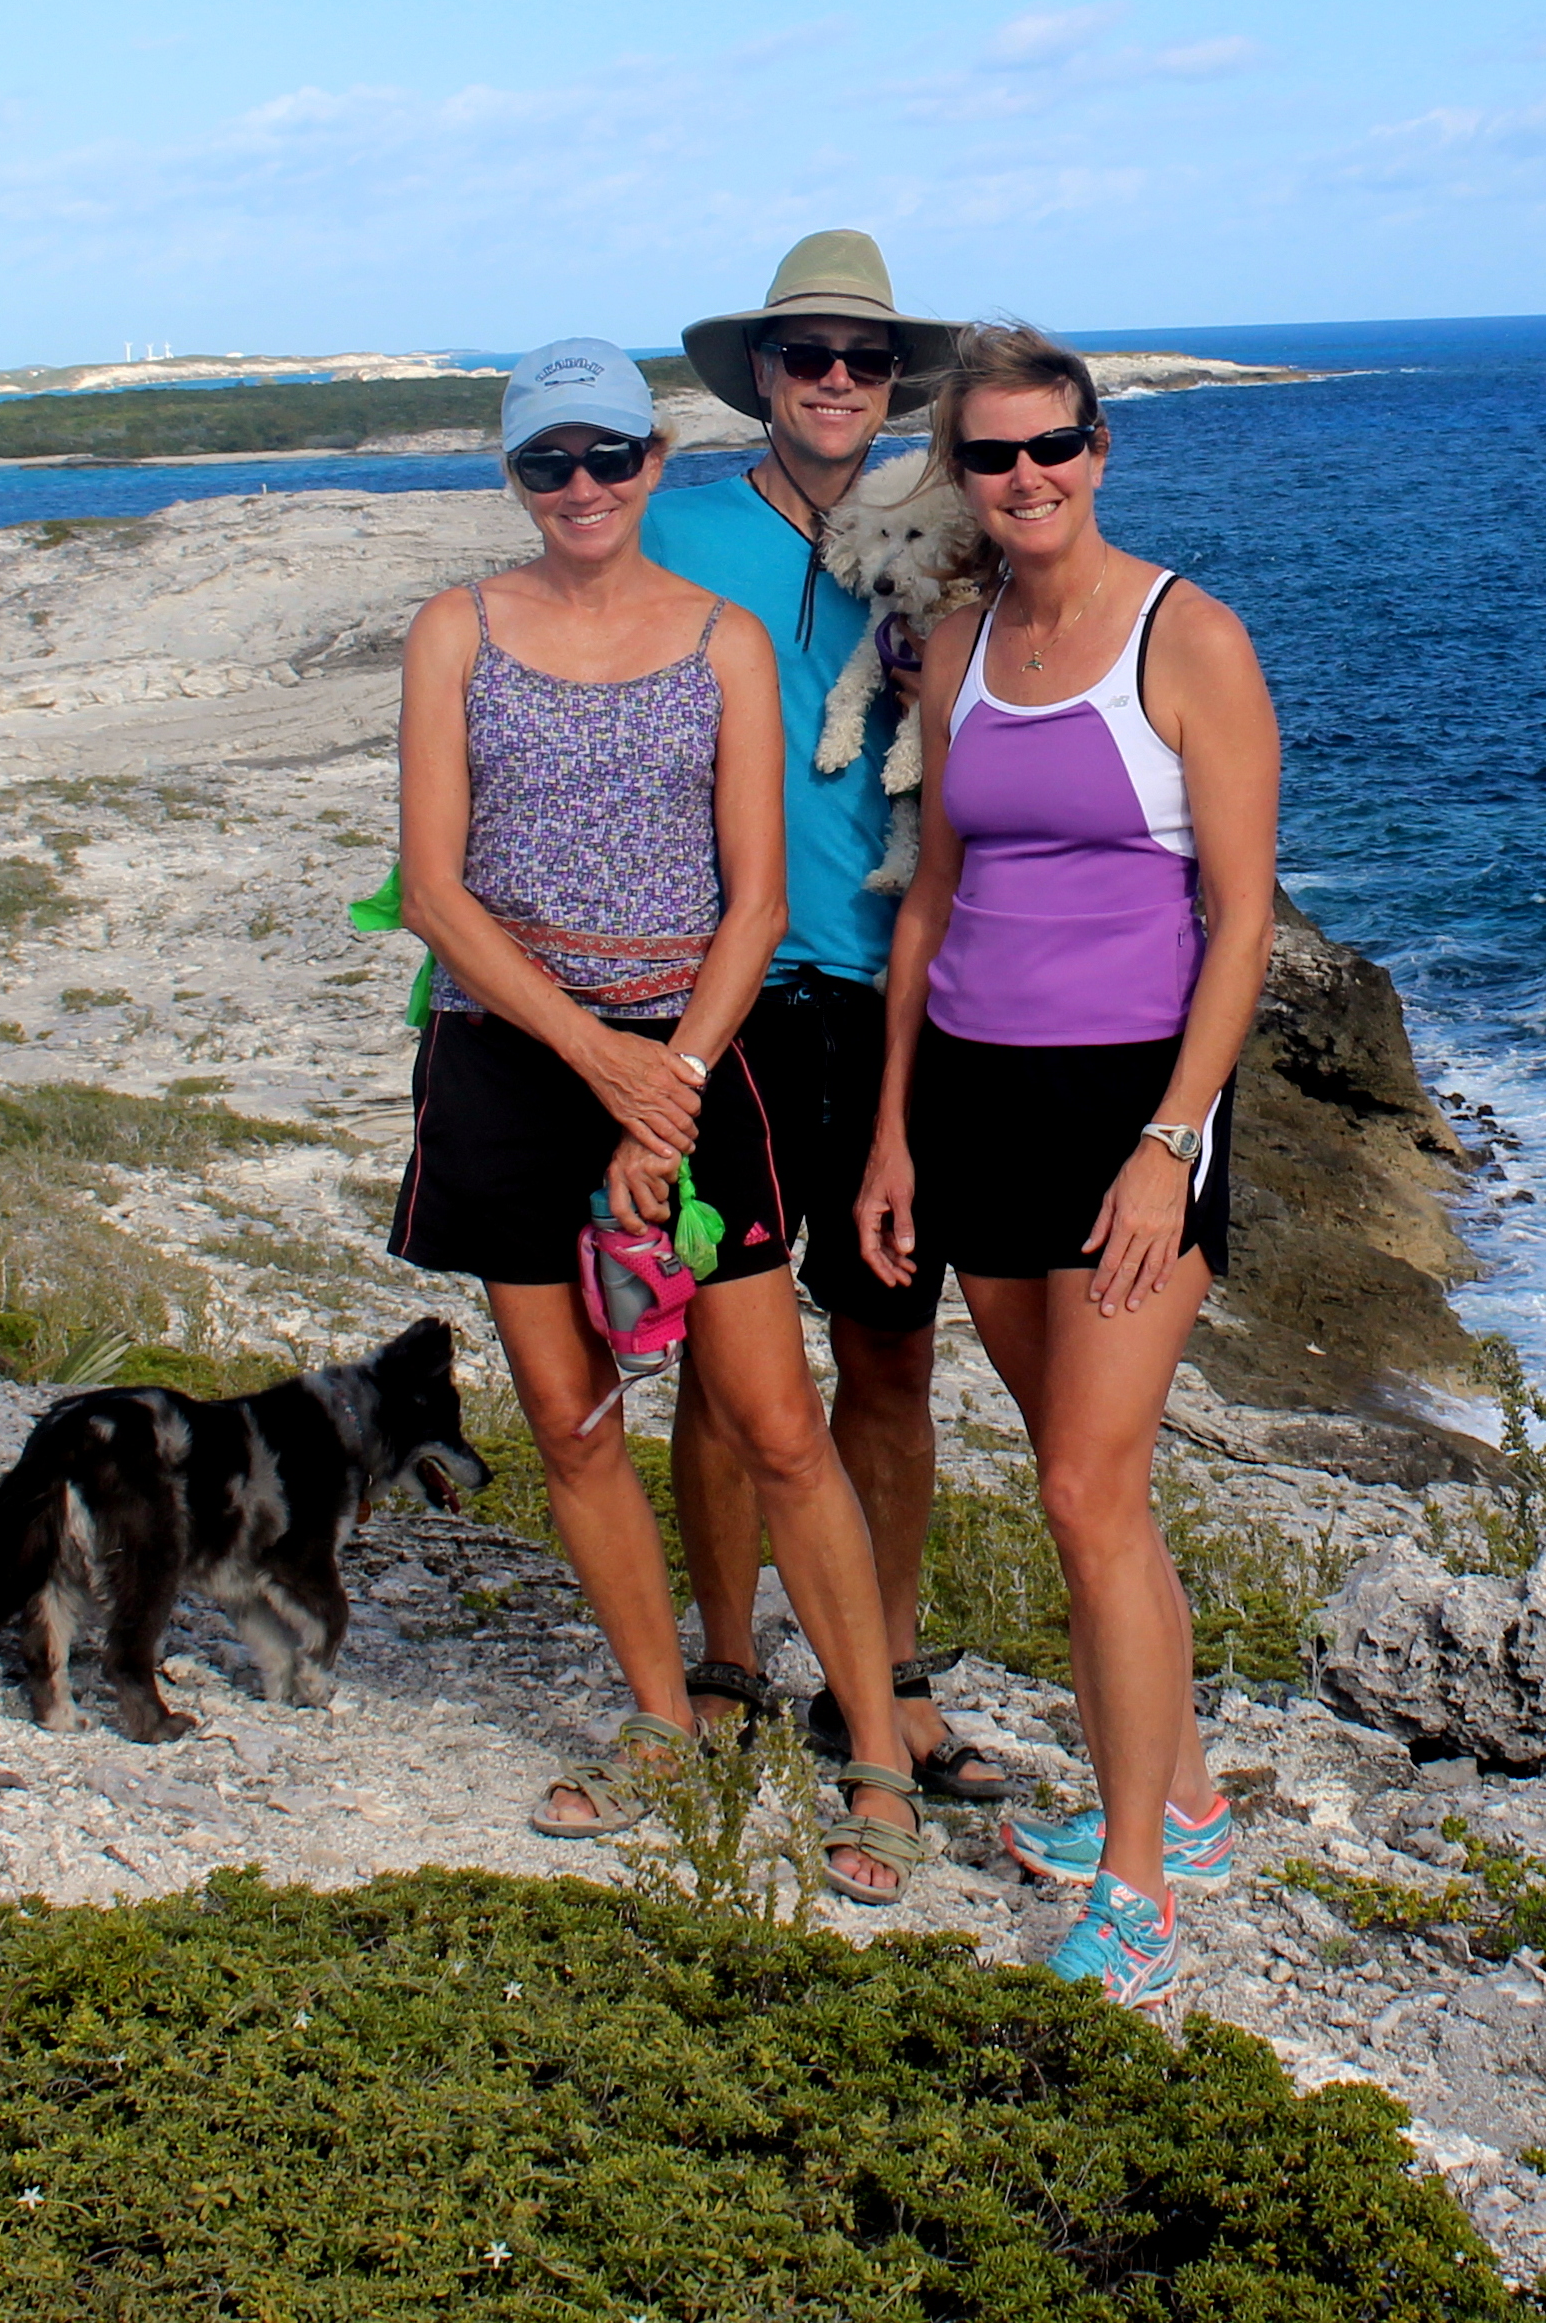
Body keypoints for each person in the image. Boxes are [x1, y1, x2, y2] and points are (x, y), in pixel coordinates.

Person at [386, 338, 924, 1903]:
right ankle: (656, 1720)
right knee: (567, 1416)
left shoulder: (719, 639)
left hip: (696, 1055)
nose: (580, 488)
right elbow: (436, 885)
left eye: (608, 458)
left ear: (651, 463)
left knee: (775, 1417)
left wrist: (665, 1078)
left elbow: (757, 900)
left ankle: (875, 1748)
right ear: (513, 476)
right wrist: (593, 1060)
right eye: (547, 462)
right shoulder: (456, 631)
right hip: (510, 1053)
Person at [854, 322, 1281, 2005]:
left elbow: (1240, 919)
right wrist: (893, 1127)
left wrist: (1173, 1143)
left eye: (1054, 447)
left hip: (1130, 1111)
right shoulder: (955, 644)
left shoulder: (1192, 638)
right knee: (1085, 1474)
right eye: (992, 455)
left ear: (1100, 450)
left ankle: (1135, 1888)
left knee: (1085, 1487)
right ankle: (1183, 1799)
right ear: (957, 475)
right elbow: (936, 901)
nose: (1026, 478)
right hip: (970, 1090)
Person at [639, 231, 1013, 1803]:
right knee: (726, 1362)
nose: (841, 381)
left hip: (893, 991)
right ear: (765, 378)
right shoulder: (673, 528)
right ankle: (726, 1655)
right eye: (811, 357)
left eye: (868, 359)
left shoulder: (957, 535)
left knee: (889, 1351)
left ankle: (893, 1671)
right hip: (719, 988)